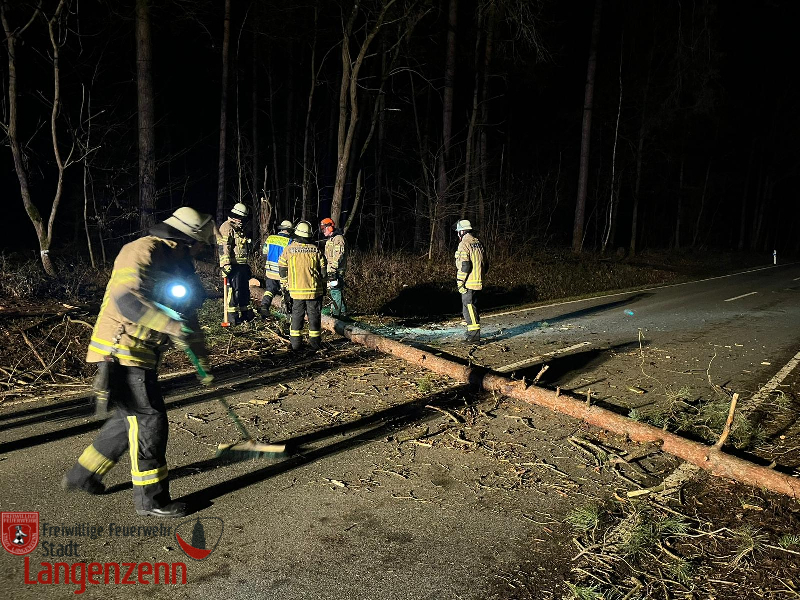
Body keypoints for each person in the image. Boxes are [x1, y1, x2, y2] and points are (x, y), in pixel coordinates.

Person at [62, 207, 216, 518]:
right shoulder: (141, 250)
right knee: (149, 419)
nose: (202, 250)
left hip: (142, 353)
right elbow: (127, 300)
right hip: (121, 350)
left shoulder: (179, 265)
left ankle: (82, 474)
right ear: (188, 239)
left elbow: (188, 318)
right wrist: (171, 326)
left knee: (127, 419)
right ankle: (151, 500)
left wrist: (203, 363)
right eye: (201, 244)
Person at [278, 220, 326, 352]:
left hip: (296, 291)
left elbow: (282, 268)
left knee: (297, 317)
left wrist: (284, 284)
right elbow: (323, 271)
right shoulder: (316, 250)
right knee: (314, 317)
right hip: (313, 291)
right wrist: (324, 287)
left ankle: (296, 345)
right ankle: (315, 345)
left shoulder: (289, 249)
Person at [217, 203, 253, 325]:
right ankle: (232, 318)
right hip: (233, 265)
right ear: (234, 216)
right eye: (240, 218)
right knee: (233, 292)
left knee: (243, 290)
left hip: (241, 265)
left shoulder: (238, 228)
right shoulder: (226, 227)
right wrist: (225, 264)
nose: (242, 220)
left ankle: (246, 315)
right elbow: (224, 247)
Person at [454, 219, 488, 343]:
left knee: (468, 309)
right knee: (473, 307)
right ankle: (472, 333)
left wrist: (460, 281)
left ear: (462, 232)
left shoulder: (464, 243)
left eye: (458, 232)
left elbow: (465, 265)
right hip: (478, 281)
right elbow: (486, 264)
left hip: (468, 282)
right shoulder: (478, 243)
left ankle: (474, 336)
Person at [260, 220, 293, 318]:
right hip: (283, 272)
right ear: (289, 230)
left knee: (270, 290)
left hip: (270, 271)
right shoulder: (290, 242)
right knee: (285, 291)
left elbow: (264, 253)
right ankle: (285, 312)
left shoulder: (270, 238)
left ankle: (264, 306)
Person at [320, 217, 348, 317]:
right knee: (336, 290)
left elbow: (339, 254)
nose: (323, 231)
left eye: (324, 229)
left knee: (335, 291)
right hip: (332, 269)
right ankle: (343, 312)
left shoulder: (338, 239)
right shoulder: (330, 239)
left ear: (330, 227)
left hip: (336, 270)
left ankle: (336, 315)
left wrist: (333, 269)